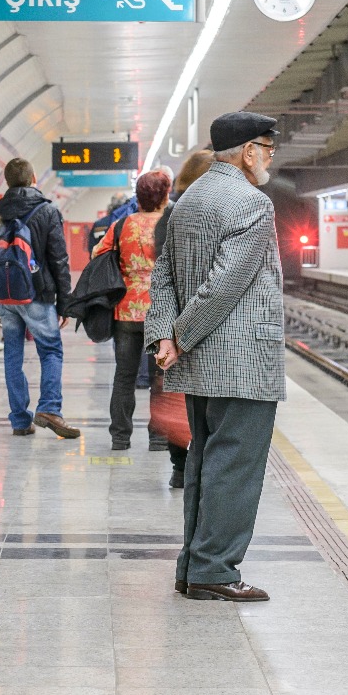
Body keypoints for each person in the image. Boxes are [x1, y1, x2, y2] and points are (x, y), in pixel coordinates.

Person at [147, 113, 285, 604]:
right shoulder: (252, 203)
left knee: (206, 462)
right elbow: (225, 285)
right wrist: (180, 335)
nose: (270, 157)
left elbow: (162, 275)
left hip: (201, 366)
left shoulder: (187, 201)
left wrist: (165, 335)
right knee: (237, 466)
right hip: (242, 362)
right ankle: (215, 570)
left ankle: (194, 566)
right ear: (248, 151)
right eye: (267, 148)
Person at [0, 158, 81, 439]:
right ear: (34, 177)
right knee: (50, 350)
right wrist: (65, 303)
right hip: (38, 295)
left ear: (8, 181)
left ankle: (20, 420)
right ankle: (49, 408)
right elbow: (59, 260)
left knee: (12, 354)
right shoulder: (47, 211)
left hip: (4, 296)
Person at [92, 169, 172, 451]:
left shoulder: (122, 225)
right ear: (165, 194)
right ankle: (159, 438)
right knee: (160, 377)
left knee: (124, 375)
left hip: (126, 311)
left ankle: (120, 437)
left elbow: (97, 254)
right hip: (161, 313)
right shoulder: (170, 223)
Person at [149, 148, 213, 488]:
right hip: (202, 318)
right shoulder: (207, 213)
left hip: (173, 319)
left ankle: (179, 466)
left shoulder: (168, 217)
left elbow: (162, 272)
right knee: (204, 400)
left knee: (177, 394)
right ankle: (198, 466)